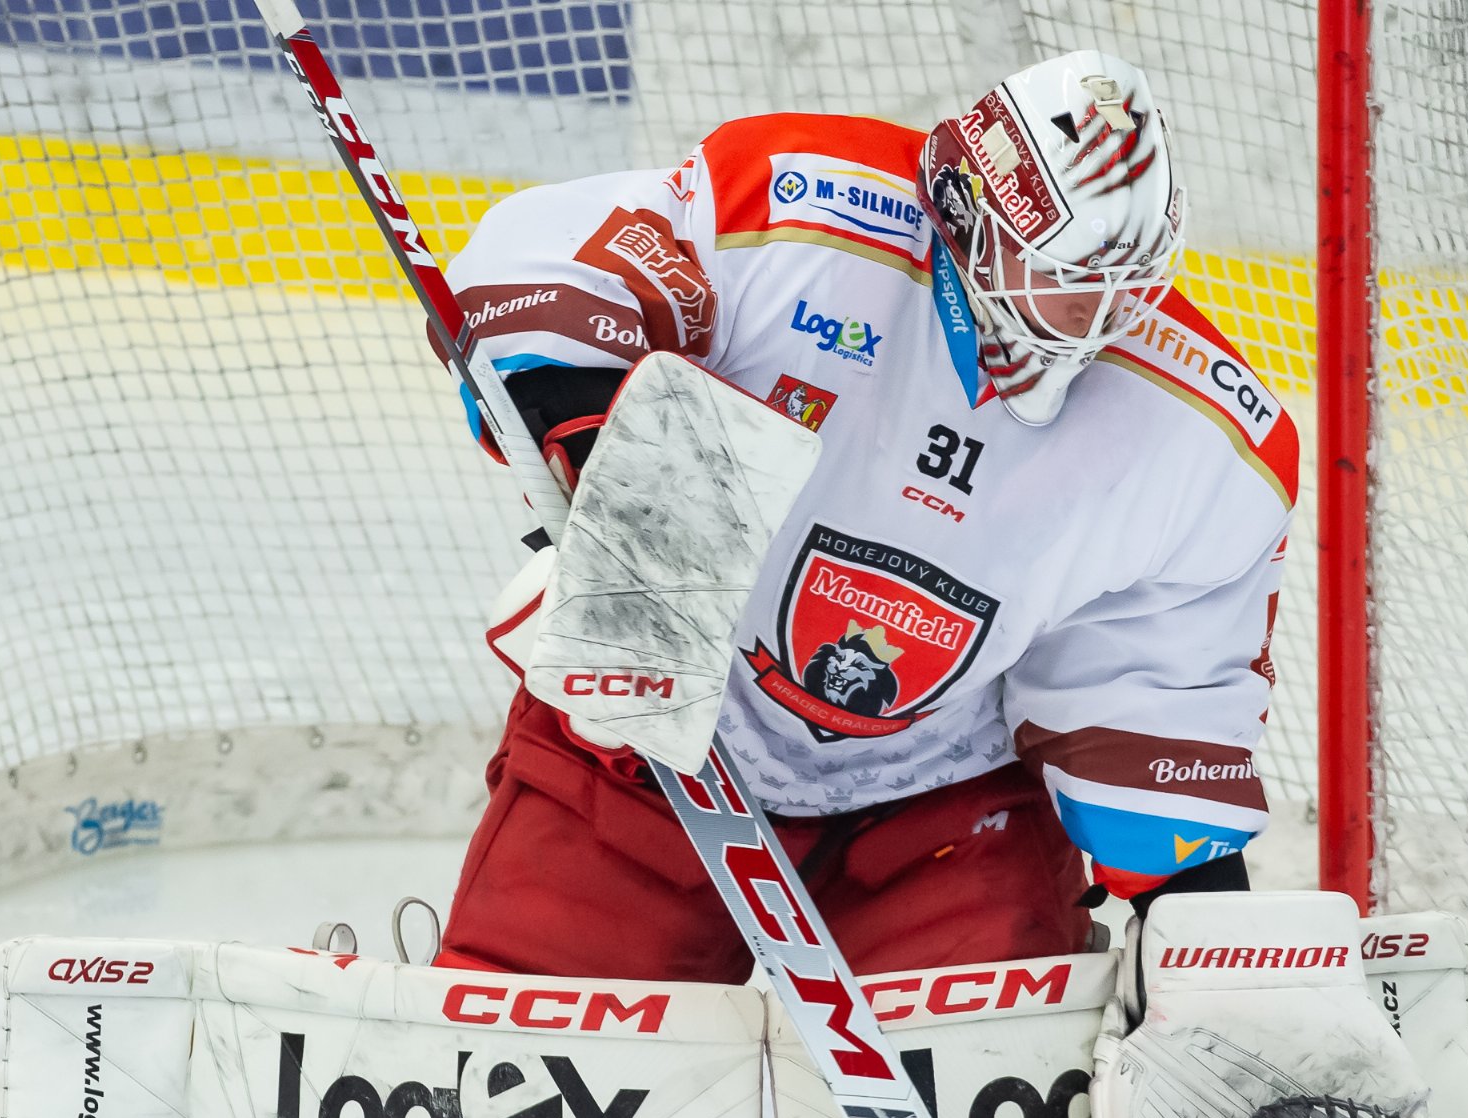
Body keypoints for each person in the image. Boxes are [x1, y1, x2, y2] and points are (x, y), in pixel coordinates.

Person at [434, 49, 1299, 986]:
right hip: (648, 747)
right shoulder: (796, 216)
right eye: (1067, 273)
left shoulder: (1207, 438)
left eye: (1131, 280)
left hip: (939, 805)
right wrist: (613, 493)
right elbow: (548, 262)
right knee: (521, 1041)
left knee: (1000, 1066)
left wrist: (1205, 942)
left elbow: (1147, 693)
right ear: (969, 214)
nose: (1104, 314)